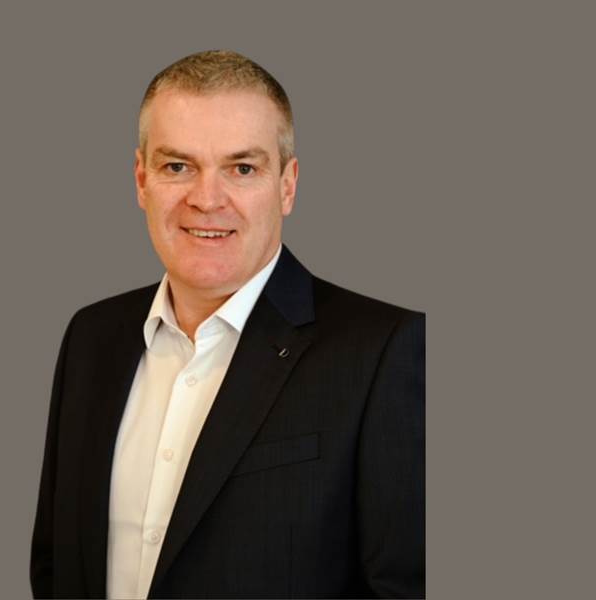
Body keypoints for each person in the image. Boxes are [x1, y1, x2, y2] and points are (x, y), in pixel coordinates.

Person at [30, 50, 425, 599]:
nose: (206, 200)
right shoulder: (91, 338)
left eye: (242, 169)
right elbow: (55, 568)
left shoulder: (384, 351)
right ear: (141, 180)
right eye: (177, 166)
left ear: (287, 185)